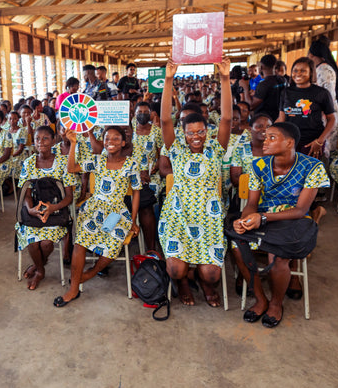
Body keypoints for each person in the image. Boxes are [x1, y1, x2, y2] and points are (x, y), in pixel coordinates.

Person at [228, 122, 330, 328]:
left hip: (293, 219)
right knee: (237, 247)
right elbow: (252, 204)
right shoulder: (259, 165)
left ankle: (275, 304)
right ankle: (260, 299)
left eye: (271, 138)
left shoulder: (312, 167)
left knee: (278, 256)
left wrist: (262, 218)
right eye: (265, 137)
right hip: (263, 215)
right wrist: (245, 220)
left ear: (289, 142)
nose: (265, 141)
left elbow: (300, 210)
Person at [159, 60, 232, 307]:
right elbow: (165, 121)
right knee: (175, 269)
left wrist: (225, 78)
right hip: (178, 214)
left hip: (208, 216)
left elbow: (227, 118)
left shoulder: (215, 148)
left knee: (211, 273)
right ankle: (182, 283)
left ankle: (205, 284)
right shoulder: (176, 148)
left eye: (201, 131)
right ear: (184, 133)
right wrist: (168, 80)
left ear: (207, 131)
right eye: (191, 133)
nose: (196, 137)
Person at [55, 126, 141, 307]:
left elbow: (136, 192)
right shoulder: (97, 160)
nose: (111, 142)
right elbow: (71, 168)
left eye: (116, 138)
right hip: (94, 208)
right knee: (80, 243)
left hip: (117, 212)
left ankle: (89, 274)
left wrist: (133, 221)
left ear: (123, 143)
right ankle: (73, 289)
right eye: (107, 138)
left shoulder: (131, 164)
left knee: (113, 244)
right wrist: (73, 143)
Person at [17, 125, 78, 290]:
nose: (41, 142)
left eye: (45, 138)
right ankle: (40, 270)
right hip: (35, 210)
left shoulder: (63, 162)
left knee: (45, 244)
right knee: (32, 241)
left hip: (56, 211)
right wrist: (31, 209)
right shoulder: (29, 163)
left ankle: (38, 265)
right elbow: (26, 194)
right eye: (37, 139)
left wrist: (52, 208)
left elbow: (69, 197)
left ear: (53, 141)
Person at [277, 57, 336, 158]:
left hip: (312, 143)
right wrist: (270, 132)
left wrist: (320, 141)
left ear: (311, 72)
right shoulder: (286, 92)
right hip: (289, 142)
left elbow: (332, 119)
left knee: (309, 168)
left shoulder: (322, 93)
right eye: (295, 70)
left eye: (303, 71)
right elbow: (281, 118)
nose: (298, 74)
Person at [131, 100, 163, 253]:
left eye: (145, 112)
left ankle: (151, 245)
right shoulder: (129, 129)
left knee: (148, 201)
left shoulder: (156, 131)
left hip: (151, 175)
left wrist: (157, 166)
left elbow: (162, 153)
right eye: (139, 112)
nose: (142, 115)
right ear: (134, 114)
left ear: (151, 114)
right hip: (131, 173)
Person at [250, 54, 287, 121]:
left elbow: (251, 106)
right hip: (280, 117)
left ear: (261, 67)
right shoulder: (283, 80)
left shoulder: (264, 84)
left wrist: (244, 90)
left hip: (265, 120)